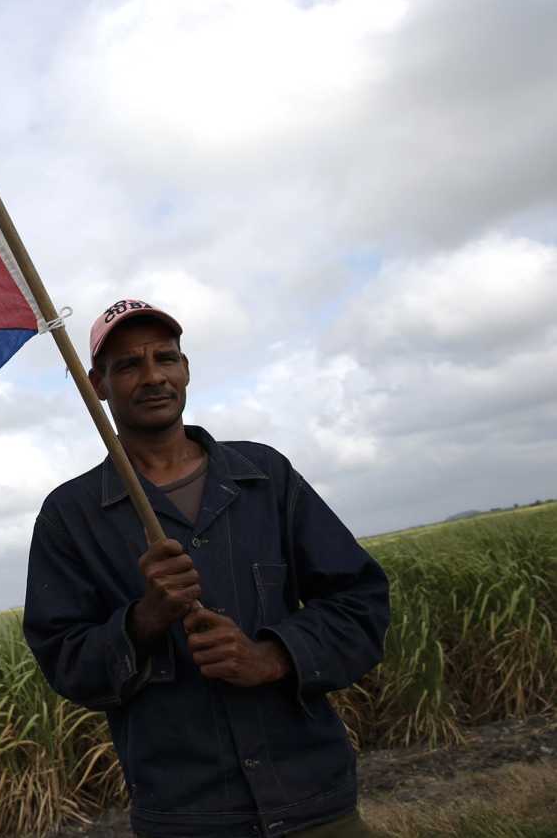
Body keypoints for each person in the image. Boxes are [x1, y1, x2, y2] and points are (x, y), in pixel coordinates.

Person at [23, 298, 391, 838]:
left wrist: (273, 656)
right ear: (95, 385)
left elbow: (360, 604)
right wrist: (146, 618)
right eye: (128, 365)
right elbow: (65, 662)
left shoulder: (265, 475)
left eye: (165, 358)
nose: (153, 377)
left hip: (316, 800)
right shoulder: (70, 516)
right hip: (186, 815)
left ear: (186, 369)